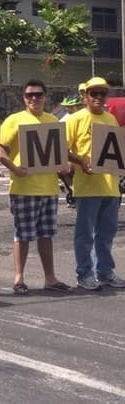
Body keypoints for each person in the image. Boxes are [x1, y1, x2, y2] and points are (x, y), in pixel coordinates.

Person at [0, 80, 70, 295]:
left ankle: (50, 277)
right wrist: (14, 168)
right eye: (29, 95)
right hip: (23, 187)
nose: (34, 98)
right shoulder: (14, 120)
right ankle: (19, 278)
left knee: (46, 234)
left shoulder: (52, 121)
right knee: (23, 235)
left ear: (45, 97)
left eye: (38, 95)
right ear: (24, 98)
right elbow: (0, 149)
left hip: (48, 188)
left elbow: (61, 152)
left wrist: (65, 165)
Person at [65, 77, 125, 290]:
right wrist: (80, 161)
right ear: (86, 96)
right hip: (87, 186)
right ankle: (84, 273)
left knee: (106, 234)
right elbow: (62, 148)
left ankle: (106, 272)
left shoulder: (110, 119)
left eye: (102, 93)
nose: (98, 97)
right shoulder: (76, 119)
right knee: (84, 234)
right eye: (94, 93)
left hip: (111, 186)